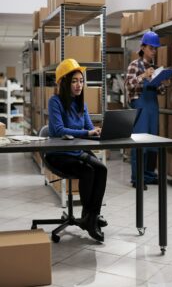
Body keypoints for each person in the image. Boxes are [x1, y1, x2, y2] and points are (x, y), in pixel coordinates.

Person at [47, 58, 107, 242]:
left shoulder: (82, 104)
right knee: (88, 170)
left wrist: (98, 132)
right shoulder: (55, 102)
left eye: (81, 81)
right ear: (64, 83)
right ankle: (89, 218)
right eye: (74, 81)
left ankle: (92, 216)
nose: (79, 85)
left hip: (77, 151)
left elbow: (88, 129)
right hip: (59, 154)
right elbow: (57, 130)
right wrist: (87, 132)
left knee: (102, 168)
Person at [125, 31, 167, 190]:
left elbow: (161, 91)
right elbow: (128, 85)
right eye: (151, 48)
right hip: (140, 107)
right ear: (143, 47)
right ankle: (137, 178)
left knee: (152, 144)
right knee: (139, 143)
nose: (154, 51)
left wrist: (163, 82)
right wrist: (143, 75)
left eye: (156, 48)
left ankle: (149, 175)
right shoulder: (134, 65)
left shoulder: (155, 68)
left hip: (152, 107)